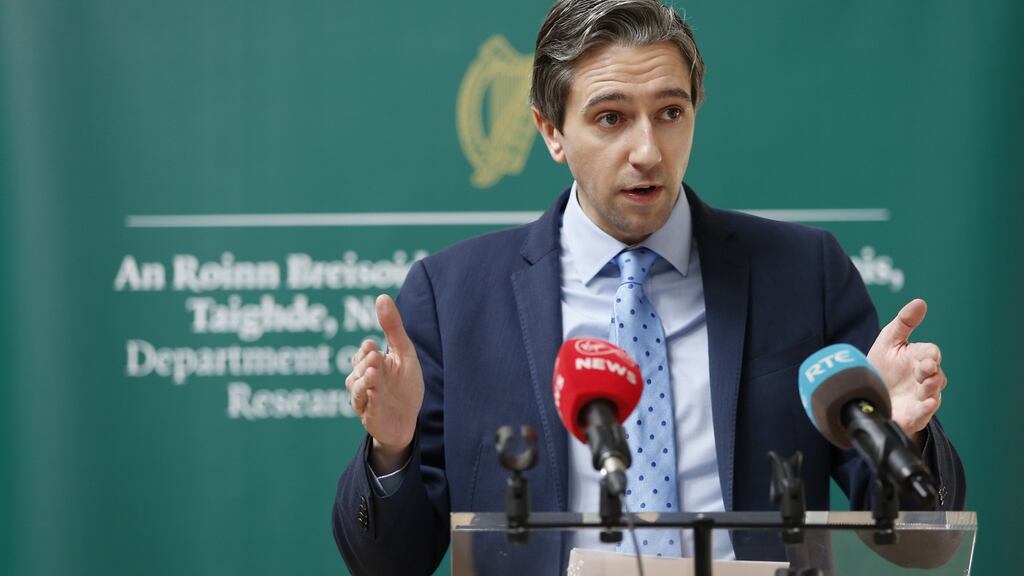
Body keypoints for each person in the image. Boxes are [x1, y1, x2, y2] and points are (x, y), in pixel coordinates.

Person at [332, 0, 966, 574]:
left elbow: (922, 547)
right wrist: (393, 449)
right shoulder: (453, 297)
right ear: (551, 131)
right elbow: (389, 563)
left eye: (670, 113)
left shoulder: (805, 273)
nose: (648, 151)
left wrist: (900, 436)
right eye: (611, 117)